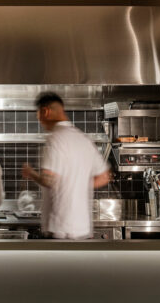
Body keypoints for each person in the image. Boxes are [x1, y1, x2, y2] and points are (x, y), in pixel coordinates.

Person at [22, 92, 112, 239]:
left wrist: (30, 173)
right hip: (82, 228)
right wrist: (77, 184)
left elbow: (49, 180)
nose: (39, 119)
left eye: (38, 114)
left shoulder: (55, 139)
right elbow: (104, 177)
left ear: (46, 111)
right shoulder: (83, 140)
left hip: (60, 228)